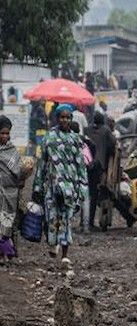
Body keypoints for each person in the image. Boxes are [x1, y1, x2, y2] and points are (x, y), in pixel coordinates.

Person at [32, 105, 89, 259]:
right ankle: (53, 244)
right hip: (52, 186)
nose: (65, 120)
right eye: (62, 117)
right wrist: (37, 187)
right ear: (57, 118)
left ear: (71, 119)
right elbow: (41, 164)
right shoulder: (49, 138)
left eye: (68, 117)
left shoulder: (76, 139)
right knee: (52, 217)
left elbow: (81, 166)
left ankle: (64, 255)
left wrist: (83, 189)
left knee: (66, 219)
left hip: (70, 188)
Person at [84, 112, 132, 229]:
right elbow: (112, 145)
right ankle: (90, 222)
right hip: (100, 166)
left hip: (86, 164)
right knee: (102, 195)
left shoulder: (87, 130)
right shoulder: (105, 130)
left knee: (89, 194)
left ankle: (86, 222)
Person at [0, 116, 29, 260]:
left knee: (9, 223)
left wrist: (22, 177)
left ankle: (7, 250)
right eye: (2, 133)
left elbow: (18, 170)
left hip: (11, 193)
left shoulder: (13, 151)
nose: (5, 136)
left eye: (7, 133)